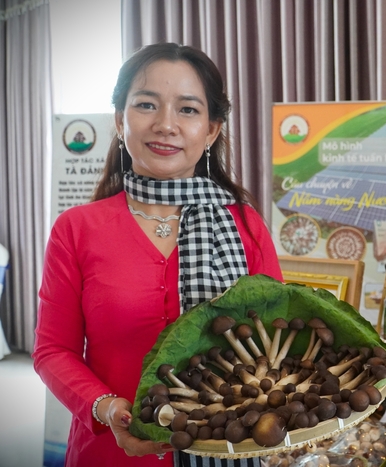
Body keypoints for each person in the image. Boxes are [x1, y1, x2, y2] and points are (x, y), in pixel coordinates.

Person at [33, 42, 282, 467]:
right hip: (109, 453)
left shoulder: (246, 227)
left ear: (212, 130)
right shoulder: (77, 229)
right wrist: (105, 407)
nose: (165, 124)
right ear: (119, 120)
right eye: (146, 104)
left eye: (187, 109)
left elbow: (276, 342)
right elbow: (53, 350)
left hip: (231, 446)